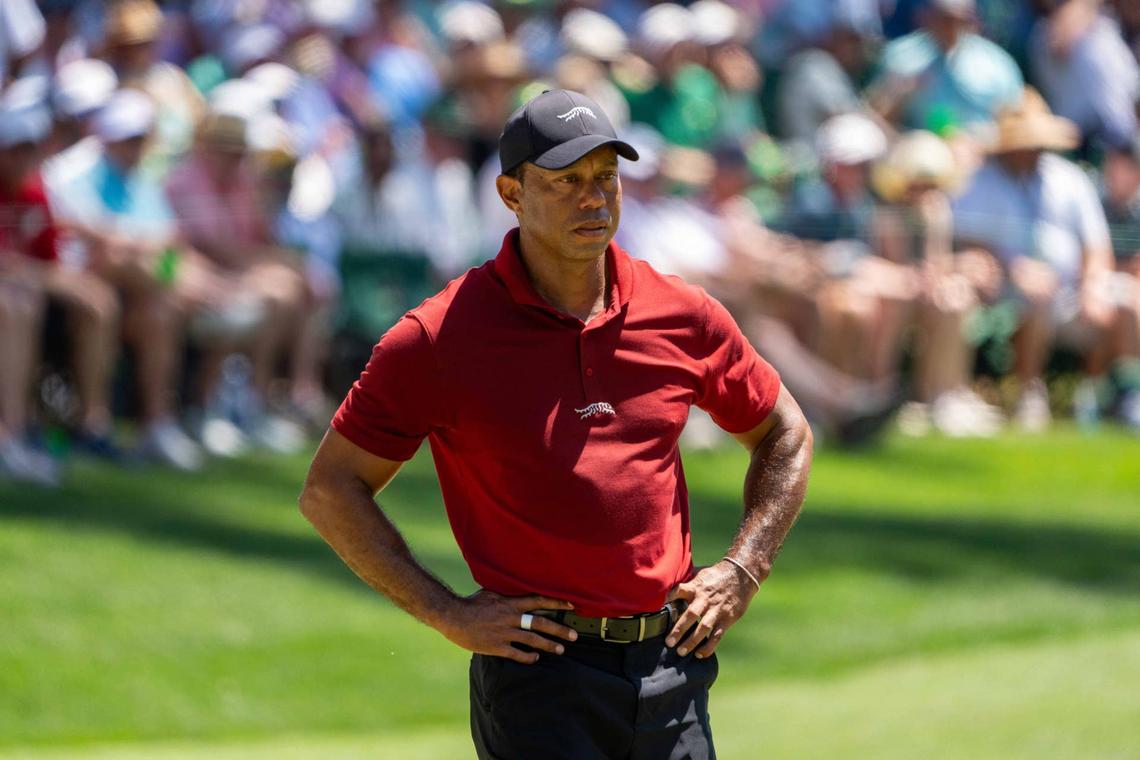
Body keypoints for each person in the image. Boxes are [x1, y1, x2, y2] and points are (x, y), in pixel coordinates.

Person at [299, 89, 813, 759]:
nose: (593, 199)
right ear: (511, 194)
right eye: (566, 181)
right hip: (538, 678)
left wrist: (745, 566)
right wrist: (446, 611)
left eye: (606, 176)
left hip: (673, 665)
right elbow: (331, 489)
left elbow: (785, 432)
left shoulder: (682, 313)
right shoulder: (439, 337)